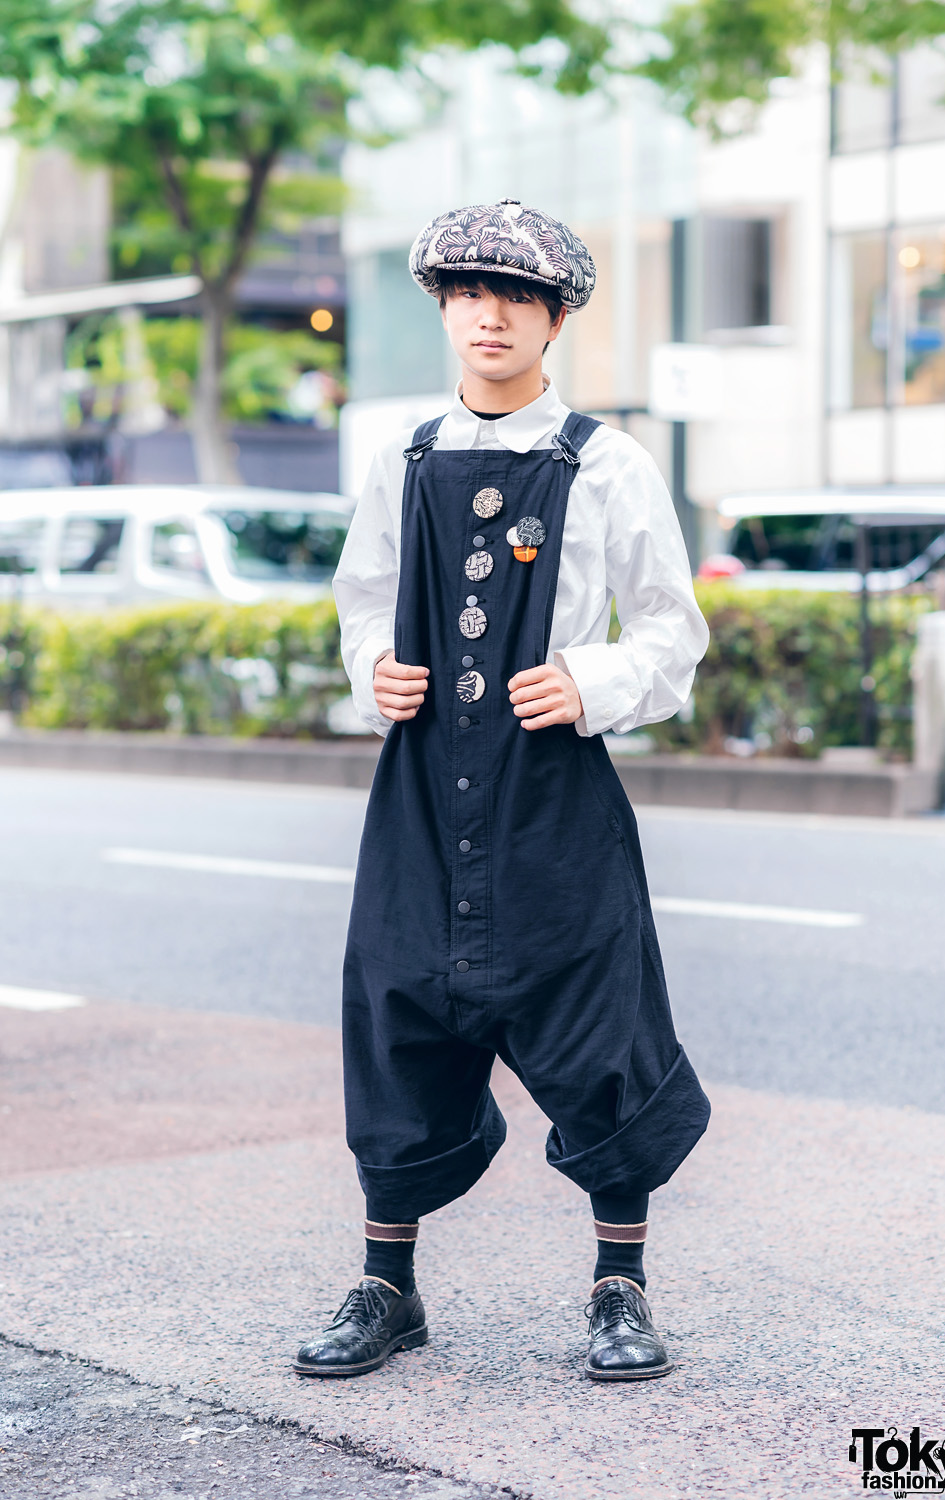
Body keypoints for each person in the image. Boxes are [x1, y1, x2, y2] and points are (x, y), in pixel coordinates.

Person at [294, 199, 711, 1383]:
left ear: (556, 317)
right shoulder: (404, 456)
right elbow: (361, 598)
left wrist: (593, 678)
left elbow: (673, 636)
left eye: (517, 296)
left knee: (600, 1031)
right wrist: (371, 667)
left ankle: (619, 1287)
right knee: (398, 1018)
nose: (490, 314)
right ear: (442, 309)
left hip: (555, 801)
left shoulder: (607, 462)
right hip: (420, 793)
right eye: (469, 294)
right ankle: (388, 1286)